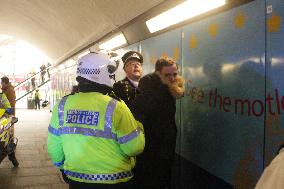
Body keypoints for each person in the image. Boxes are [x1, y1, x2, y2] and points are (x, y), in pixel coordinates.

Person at [47, 52, 145, 189]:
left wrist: (63, 168)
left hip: (76, 181)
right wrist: (138, 126)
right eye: (110, 71)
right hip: (114, 181)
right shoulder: (116, 106)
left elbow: (54, 147)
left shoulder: (62, 105)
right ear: (99, 73)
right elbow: (134, 147)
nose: (112, 75)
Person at [131, 57, 184, 189]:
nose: (172, 78)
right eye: (168, 75)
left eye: (175, 74)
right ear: (157, 73)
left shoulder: (170, 86)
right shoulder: (148, 87)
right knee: (151, 178)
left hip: (166, 143)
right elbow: (140, 113)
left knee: (164, 176)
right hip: (151, 145)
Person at [1, 76, 19, 167]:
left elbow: (11, 104)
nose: (1, 85)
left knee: (9, 135)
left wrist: (10, 114)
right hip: (2, 117)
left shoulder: (9, 90)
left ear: (5, 82)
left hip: (8, 116)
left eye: (2, 83)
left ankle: (12, 156)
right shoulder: (4, 90)